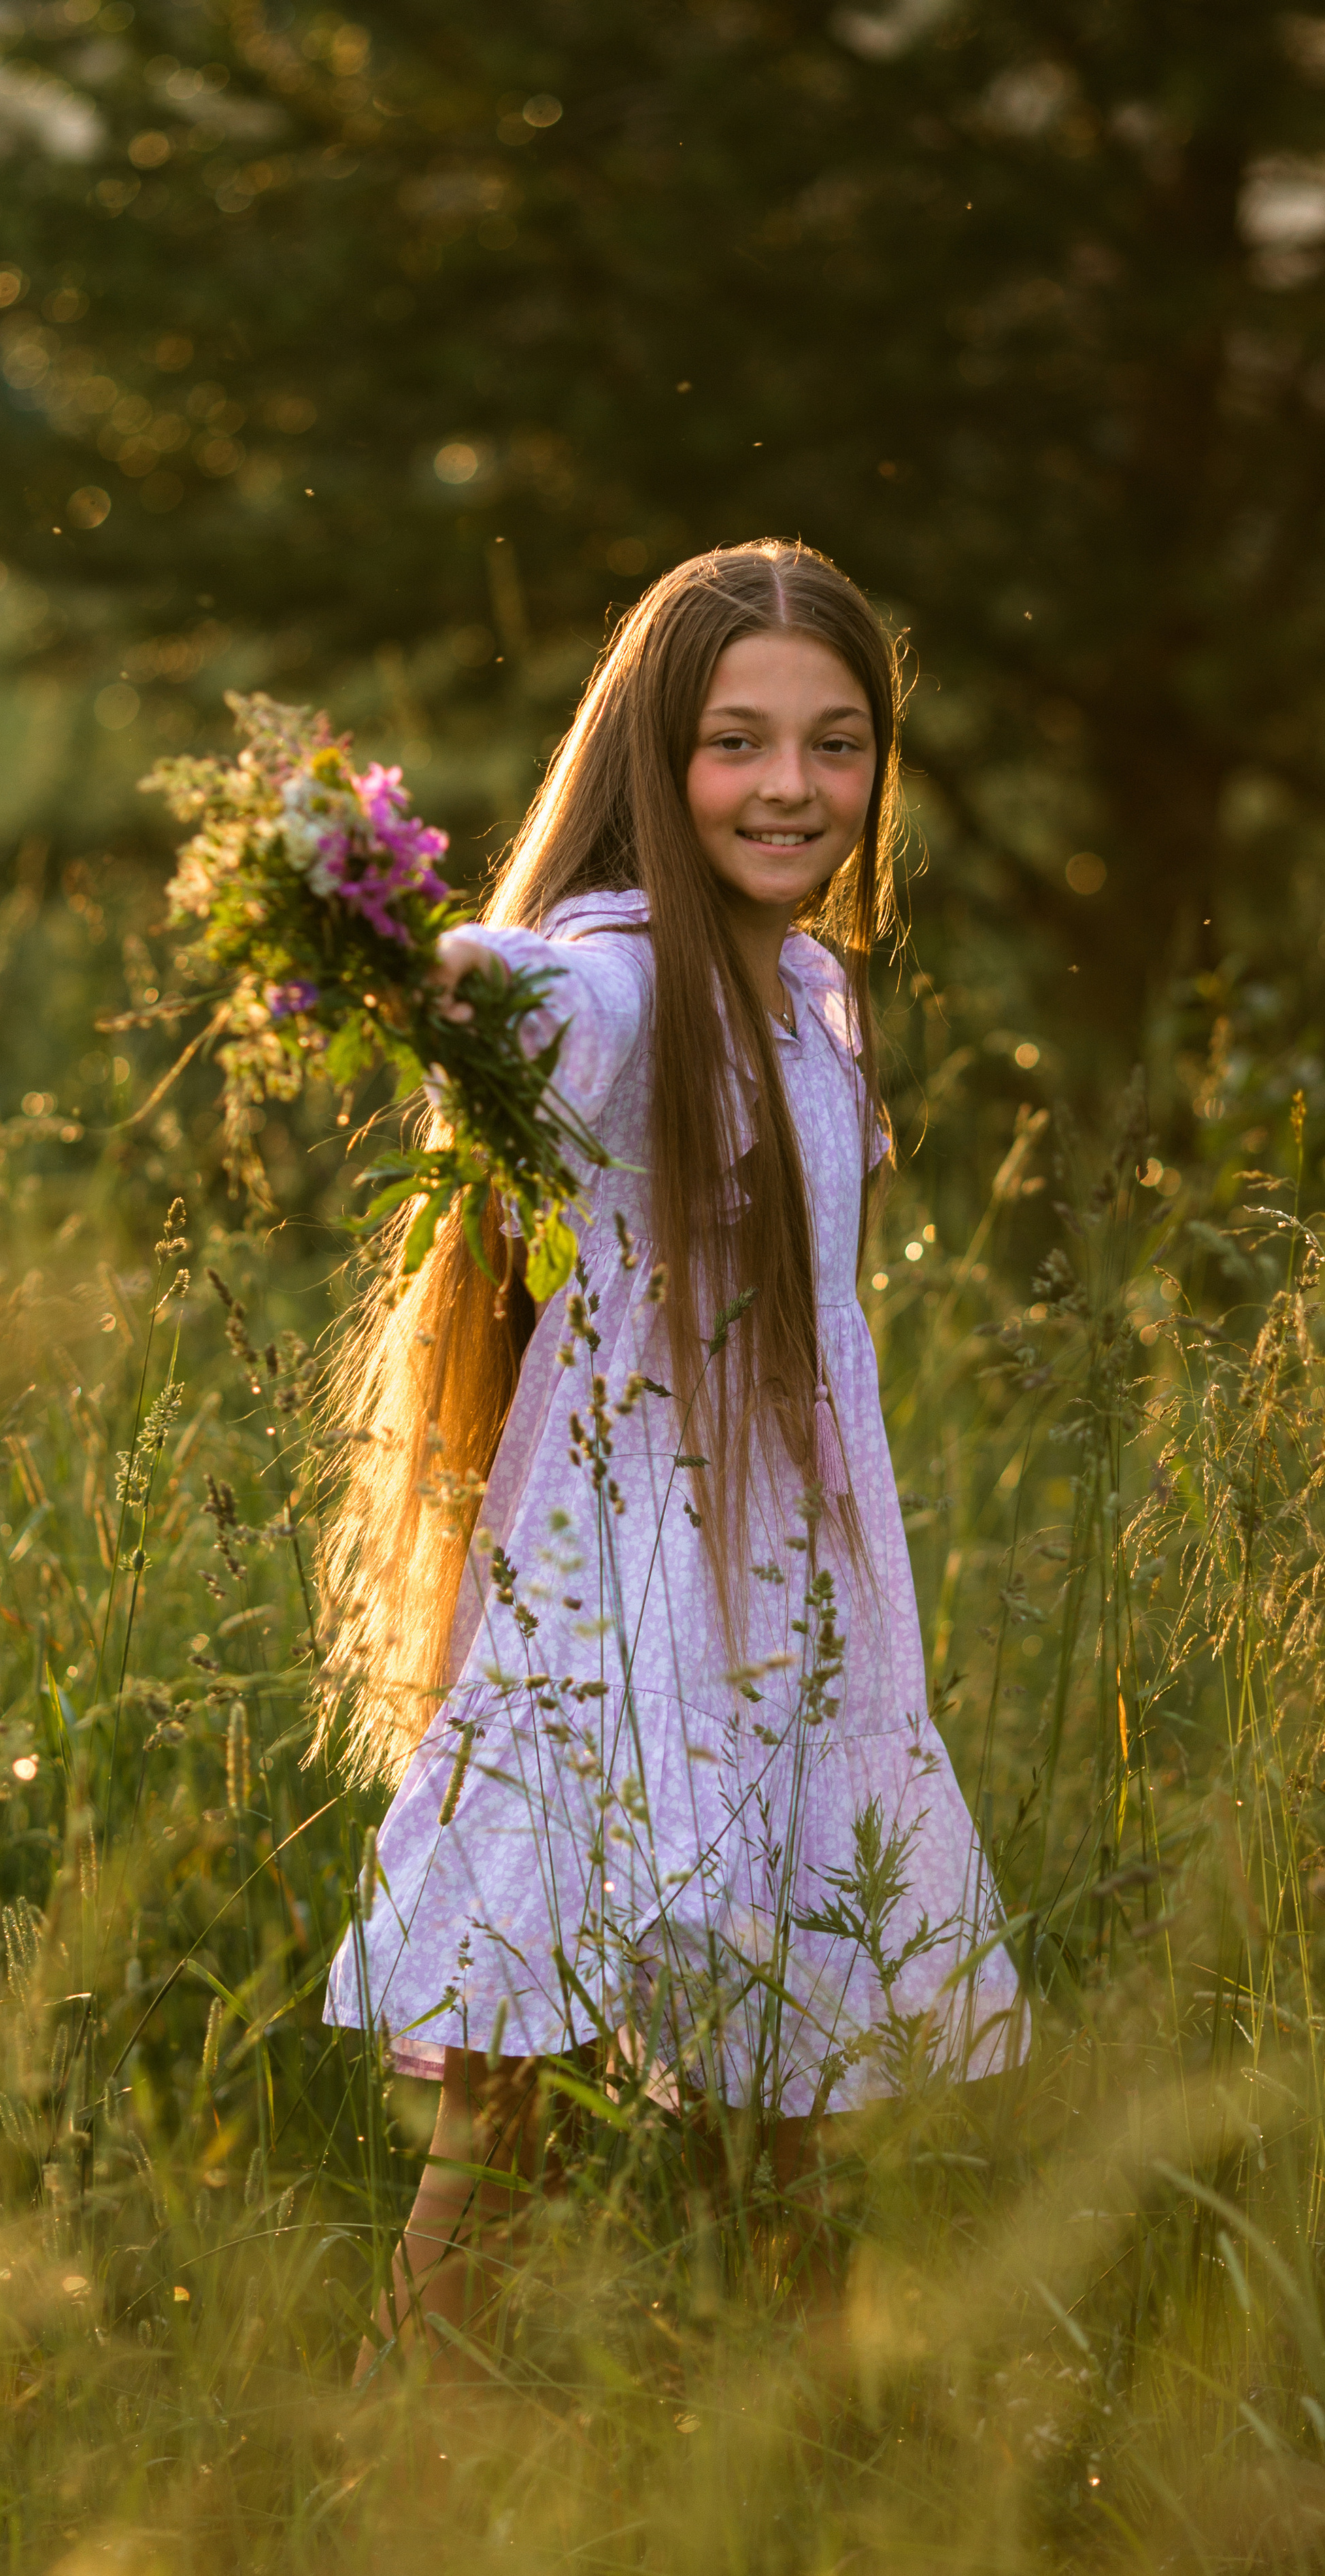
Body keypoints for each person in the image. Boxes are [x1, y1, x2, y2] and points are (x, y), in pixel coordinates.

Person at [322, 540, 1022, 2375]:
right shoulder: (622, 981)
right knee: (509, 2128)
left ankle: (808, 2510)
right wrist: (375, 926)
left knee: (802, 2141)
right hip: (619, 1617)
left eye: (839, 742)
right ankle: (409, 2492)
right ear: (656, 756)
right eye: (737, 742)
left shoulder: (816, 998)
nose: (793, 786)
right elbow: (512, 1000)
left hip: (793, 1625)